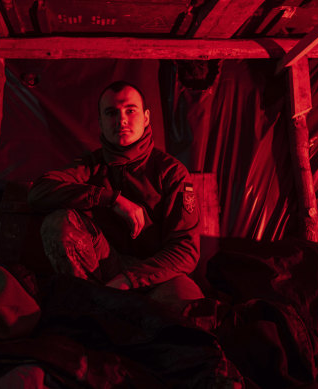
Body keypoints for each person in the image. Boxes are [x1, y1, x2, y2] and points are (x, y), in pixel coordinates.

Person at [28, 81, 204, 312]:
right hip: (103, 272)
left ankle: (104, 309)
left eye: (130, 110)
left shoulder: (171, 173)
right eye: (111, 113)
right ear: (100, 122)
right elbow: (38, 192)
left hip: (157, 275)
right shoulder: (91, 166)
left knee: (186, 314)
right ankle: (92, 310)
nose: (121, 120)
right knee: (58, 223)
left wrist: (129, 280)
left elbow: (185, 250)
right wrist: (110, 199)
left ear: (147, 117)